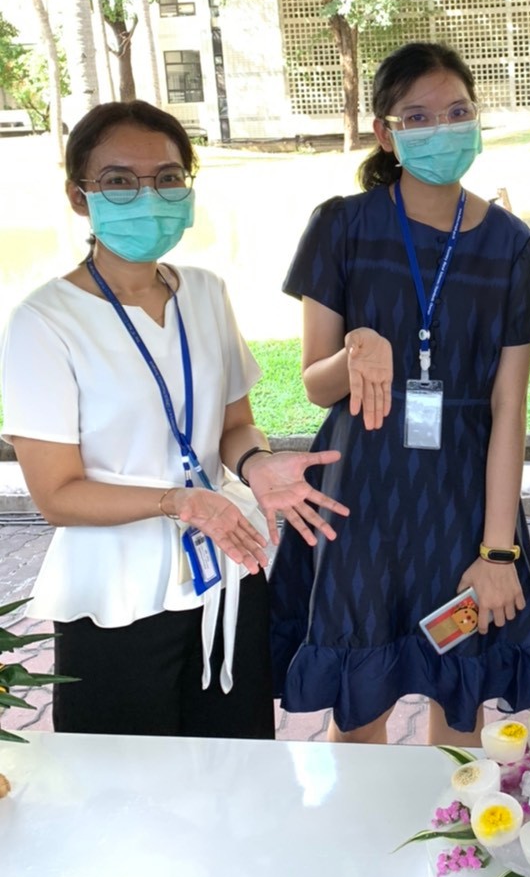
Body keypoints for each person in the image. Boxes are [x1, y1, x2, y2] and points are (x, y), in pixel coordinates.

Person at [0, 101, 344, 738]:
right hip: (116, 594)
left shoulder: (206, 292)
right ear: (78, 197)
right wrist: (178, 502)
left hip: (226, 569)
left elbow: (233, 426)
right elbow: (56, 495)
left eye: (166, 177)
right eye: (119, 180)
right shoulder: (43, 322)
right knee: (124, 782)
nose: (148, 195)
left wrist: (256, 463)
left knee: (236, 764)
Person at [269, 41, 530, 745]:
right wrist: (354, 352)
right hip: (362, 503)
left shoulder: (514, 246)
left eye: (458, 112)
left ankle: (456, 823)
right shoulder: (342, 225)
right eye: (419, 116)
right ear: (385, 132)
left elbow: (510, 406)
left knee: (460, 700)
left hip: (463, 503)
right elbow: (314, 384)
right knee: (359, 707)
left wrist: (498, 552)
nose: (442, 128)